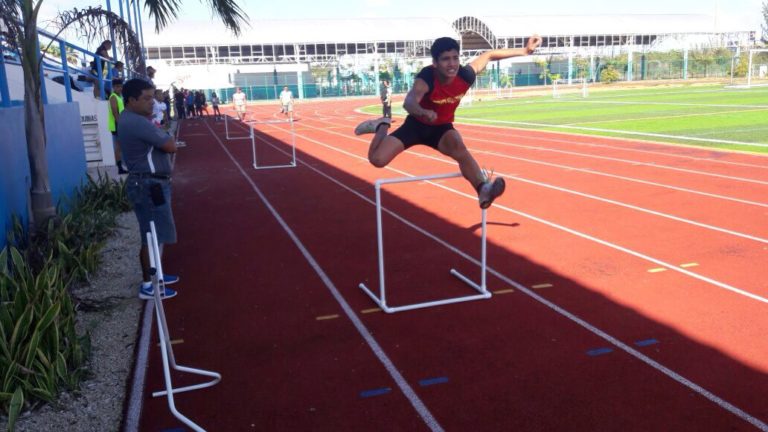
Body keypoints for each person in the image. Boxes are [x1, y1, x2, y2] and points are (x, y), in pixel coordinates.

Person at [354, 35, 542, 209]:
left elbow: (489, 55)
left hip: (441, 129)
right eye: (445, 59)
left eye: (455, 58)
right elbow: (409, 101)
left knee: (459, 147)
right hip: (416, 125)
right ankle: (381, 125)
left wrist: (525, 51)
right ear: (435, 63)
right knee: (377, 160)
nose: (452, 64)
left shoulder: (465, 75)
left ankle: (483, 189)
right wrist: (422, 111)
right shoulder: (427, 77)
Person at [119, 78, 180, 300]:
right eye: (146, 98)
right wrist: (165, 135)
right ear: (131, 100)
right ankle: (149, 284)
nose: (152, 103)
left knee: (155, 233)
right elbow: (170, 145)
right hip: (147, 184)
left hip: (148, 182)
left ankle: (157, 276)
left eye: (152, 97)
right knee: (150, 235)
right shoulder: (137, 122)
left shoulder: (133, 119)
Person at [108, 79, 127, 174]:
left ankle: (123, 166)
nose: (119, 88)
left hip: (120, 124)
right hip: (117, 125)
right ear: (113, 87)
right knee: (118, 147)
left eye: (121, 86)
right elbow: (115, 113)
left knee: (121, 146)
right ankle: (120, 168)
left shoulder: (120, 96)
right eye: (117, 86)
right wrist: (120, 125)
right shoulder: (113, 97)